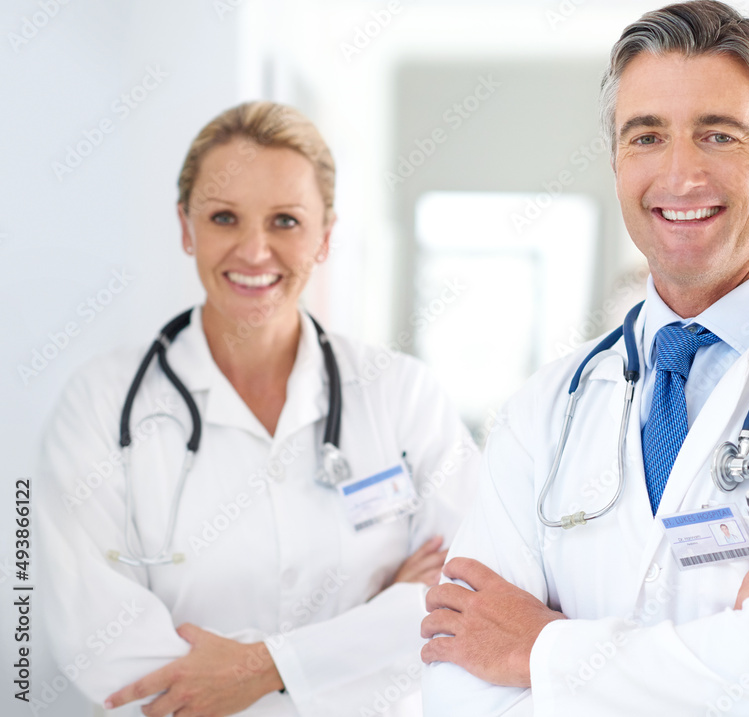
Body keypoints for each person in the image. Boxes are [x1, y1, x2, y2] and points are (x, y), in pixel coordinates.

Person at [419, 2, 749, 715]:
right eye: (646, 136)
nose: (679, 175)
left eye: (718, 135)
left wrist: (538, 648)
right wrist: (715, 661)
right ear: (615, 160)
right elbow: (459, 686)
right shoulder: (545, 409)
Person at [37, 101, 478, 717]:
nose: (253, 250)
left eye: (285, 221)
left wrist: (259, 669)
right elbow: (98, 645)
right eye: (223, 217)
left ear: (325, 236)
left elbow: (464, 607)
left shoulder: (401, 394)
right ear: (186, 227)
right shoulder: (99, 404)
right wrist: (361, 640)